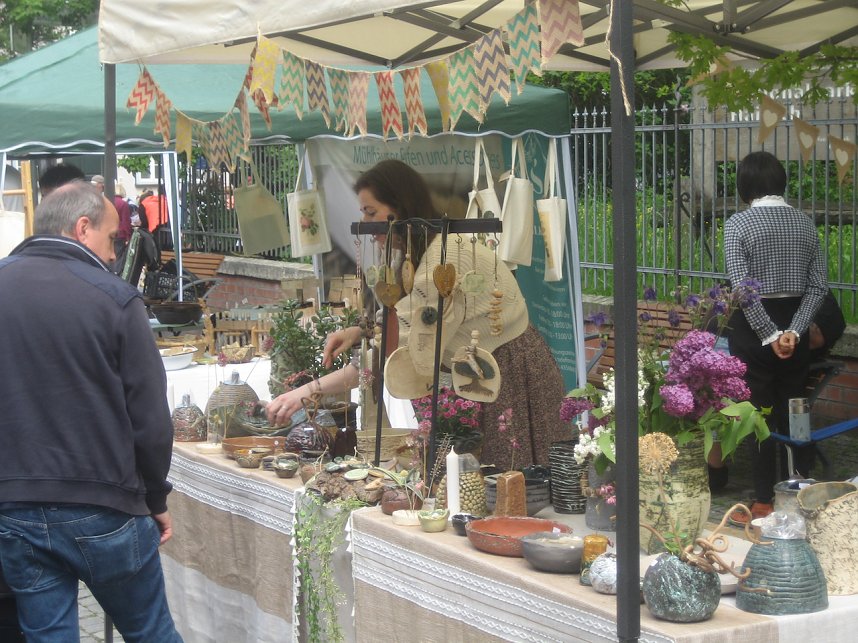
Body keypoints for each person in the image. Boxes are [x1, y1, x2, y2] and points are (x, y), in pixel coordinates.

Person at [267, 159, 569, 470]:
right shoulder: (424, 251)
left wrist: (308, 390)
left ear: (399, 208)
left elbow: (400, 354)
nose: (368, 227)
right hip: (492, 366)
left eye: (371, 213)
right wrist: (360, 331)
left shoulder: (437, 264)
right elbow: (410, 317)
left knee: (512, 483)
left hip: (508, 372)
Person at [0, 181, 182, 642]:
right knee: (151, 634)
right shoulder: (114, 298)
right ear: (82, 229)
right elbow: (151, 419)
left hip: (15, 503)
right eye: (111, 238)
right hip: (104, 504)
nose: (113, 252)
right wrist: (155, 497)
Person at [724, 151, 827, 525]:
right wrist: (793, 332)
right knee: (795, 410)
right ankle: (803, 490)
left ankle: (765, 501)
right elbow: (818, 287)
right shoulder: (806, 224)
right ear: (781, 182)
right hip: (795, 327)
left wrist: (769, 335)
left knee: (759, 416)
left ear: (745, 186)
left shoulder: (738, 224)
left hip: (754, 331)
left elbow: (741, 289)